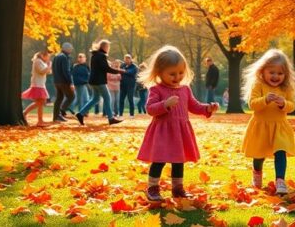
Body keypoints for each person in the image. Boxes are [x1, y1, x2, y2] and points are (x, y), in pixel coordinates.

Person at [136, 46, 219, 201]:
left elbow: (194, 106)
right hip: (162, 131)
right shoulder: (156, 89)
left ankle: (178, 189)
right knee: (159, 160)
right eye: (172, 74)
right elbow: (150, 109)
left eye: (181, 72)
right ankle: (153, 188)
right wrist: (165, 104)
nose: (177, 77)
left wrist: (208, 108)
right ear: (160, 72)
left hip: (180, 132)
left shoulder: (185, 89)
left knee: (178, 161)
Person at [241, 49, 295, 195]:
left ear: (285, 74)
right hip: (261, 125)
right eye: (271, 72)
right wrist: (265, 99)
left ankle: (280, 180)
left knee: (281, 151)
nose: (275, 76)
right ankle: (257, 173)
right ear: (263, 71)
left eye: (280, 73)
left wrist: (283, 103)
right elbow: (252, 104)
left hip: (279, 126)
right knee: (259, 154)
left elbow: (292, 106)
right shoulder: (258, 85)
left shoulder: (286, 88)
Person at [75, 40, 126, 125]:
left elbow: (102, 68)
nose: (108, 49)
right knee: (107, 97)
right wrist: (119, 71)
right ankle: (111, 118)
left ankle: (80, 114)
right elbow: (106, 68)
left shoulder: (95, 55)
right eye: (108, 47)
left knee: (95, 99)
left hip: (93, 80)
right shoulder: (101, 56)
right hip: (99, 81)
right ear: (104, 47)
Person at [22, 50, 53, 127]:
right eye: (48, 56)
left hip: (40, 84)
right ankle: (35, 118)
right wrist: (49, 65)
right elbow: (42, 71)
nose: (49, 58)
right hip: (37, 84)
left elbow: (49, 72)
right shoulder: (37, 61)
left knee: (41, 102)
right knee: (41, 101)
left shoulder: (41, 62)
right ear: (43, 55)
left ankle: (38, 119)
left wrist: (48, 65)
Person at [52, 42, 76, 122]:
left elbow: (53, 69)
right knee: (71, 96)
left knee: (59, 98)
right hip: (63, 82)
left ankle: (56, 116)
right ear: (67, 49)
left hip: (56, 81)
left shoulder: (56, 56)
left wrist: (55, 79)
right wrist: (71, 83)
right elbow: (66, 71)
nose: (72, 49)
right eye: (71, 48)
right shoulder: (64, 57)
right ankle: (61, 111)